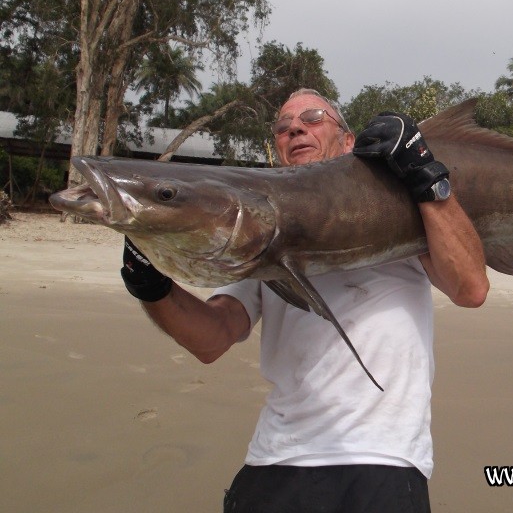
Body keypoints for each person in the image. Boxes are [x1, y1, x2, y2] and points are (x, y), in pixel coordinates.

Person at [121, 88, 489, 512]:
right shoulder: (261, 237)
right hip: (278, 457)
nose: (294, 127)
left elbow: (470, 288)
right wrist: (152, 289)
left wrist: (424, 171)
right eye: (282, 126)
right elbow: (213, 338)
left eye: (313, 118)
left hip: (383, 457)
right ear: (278, 151)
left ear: (349, 141)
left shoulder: (403, 205)